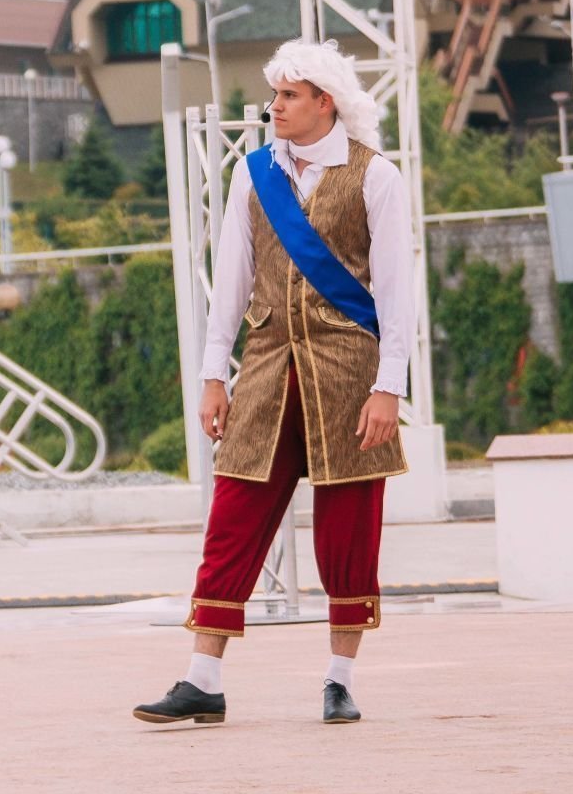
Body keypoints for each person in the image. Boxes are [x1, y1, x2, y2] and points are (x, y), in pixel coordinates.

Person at [133, 39, 414, 727]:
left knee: (349, 527)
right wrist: (213, 374)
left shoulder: (377, 176)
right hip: (264, 367)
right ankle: (203, 677)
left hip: (349, 372)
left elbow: (397, 292)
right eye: (275, 94)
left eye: (289, 95)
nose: (275, 106)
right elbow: (230, 278)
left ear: (326, 102)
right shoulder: (252, 172)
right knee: (233, 514)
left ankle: (340, 680)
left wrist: (389, 387)